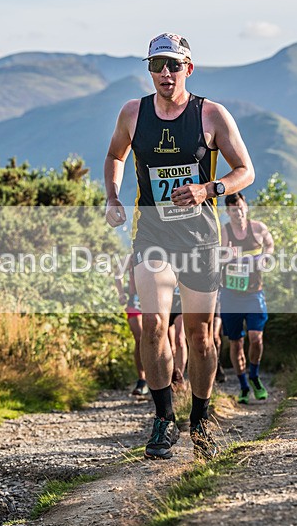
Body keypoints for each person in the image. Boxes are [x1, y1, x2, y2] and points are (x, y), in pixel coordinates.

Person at [104, 32, 255, 460]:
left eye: (173, 65)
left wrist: (209, 188)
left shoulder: (211, 114)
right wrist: (112, 196)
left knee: (201, 336)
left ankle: (201, 418)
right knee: (153, 324)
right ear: (149, 70)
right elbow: (115, 155)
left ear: (189, 68)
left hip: (200, 240)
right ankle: (163, 418)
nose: (165, 73)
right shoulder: (133, 113)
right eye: (157, 65)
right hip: (152, 235)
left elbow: (245, 170)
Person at [219, 192, 274, 404]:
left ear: (246, 207)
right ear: (228, 212)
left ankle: (254, 376)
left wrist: (266, 256)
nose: (238, 213)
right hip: (231, 294)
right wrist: (227, 255)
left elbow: (270, 244)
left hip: (254, 293)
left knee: (256, 338)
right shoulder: (224, 232)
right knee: (236, 343)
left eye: (241, 208)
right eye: (234, 210)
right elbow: (215, 257)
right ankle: (243, 386)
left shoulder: (258, 228)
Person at [115, 256, 149, 397]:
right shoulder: (129, 257)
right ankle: (142, 380)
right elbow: (118, 275)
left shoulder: (158, 250)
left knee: (161, 338)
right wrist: (121, 293)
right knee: (140, 338)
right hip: (134, 300)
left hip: (154, 299)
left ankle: (166, 378)